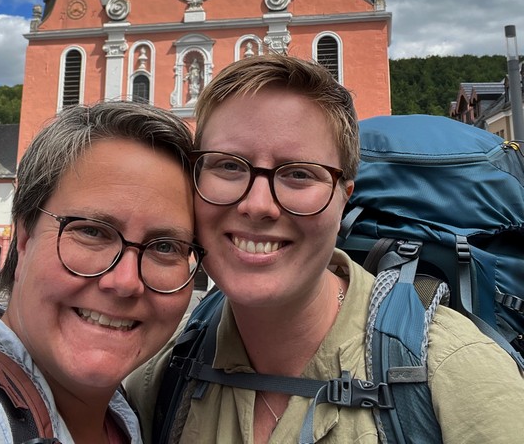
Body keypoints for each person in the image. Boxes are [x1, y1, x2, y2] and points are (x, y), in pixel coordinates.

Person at [127, 54, 524, 444]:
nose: (258, 205)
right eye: (229, 166)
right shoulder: (162, 376)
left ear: (344, 199)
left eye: (299, 174)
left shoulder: (457, 373)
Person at [0, 101, 205, 444]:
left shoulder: (128, 412)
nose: (126, 281)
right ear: (23, 239)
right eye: (92, 232)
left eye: (164, 247)